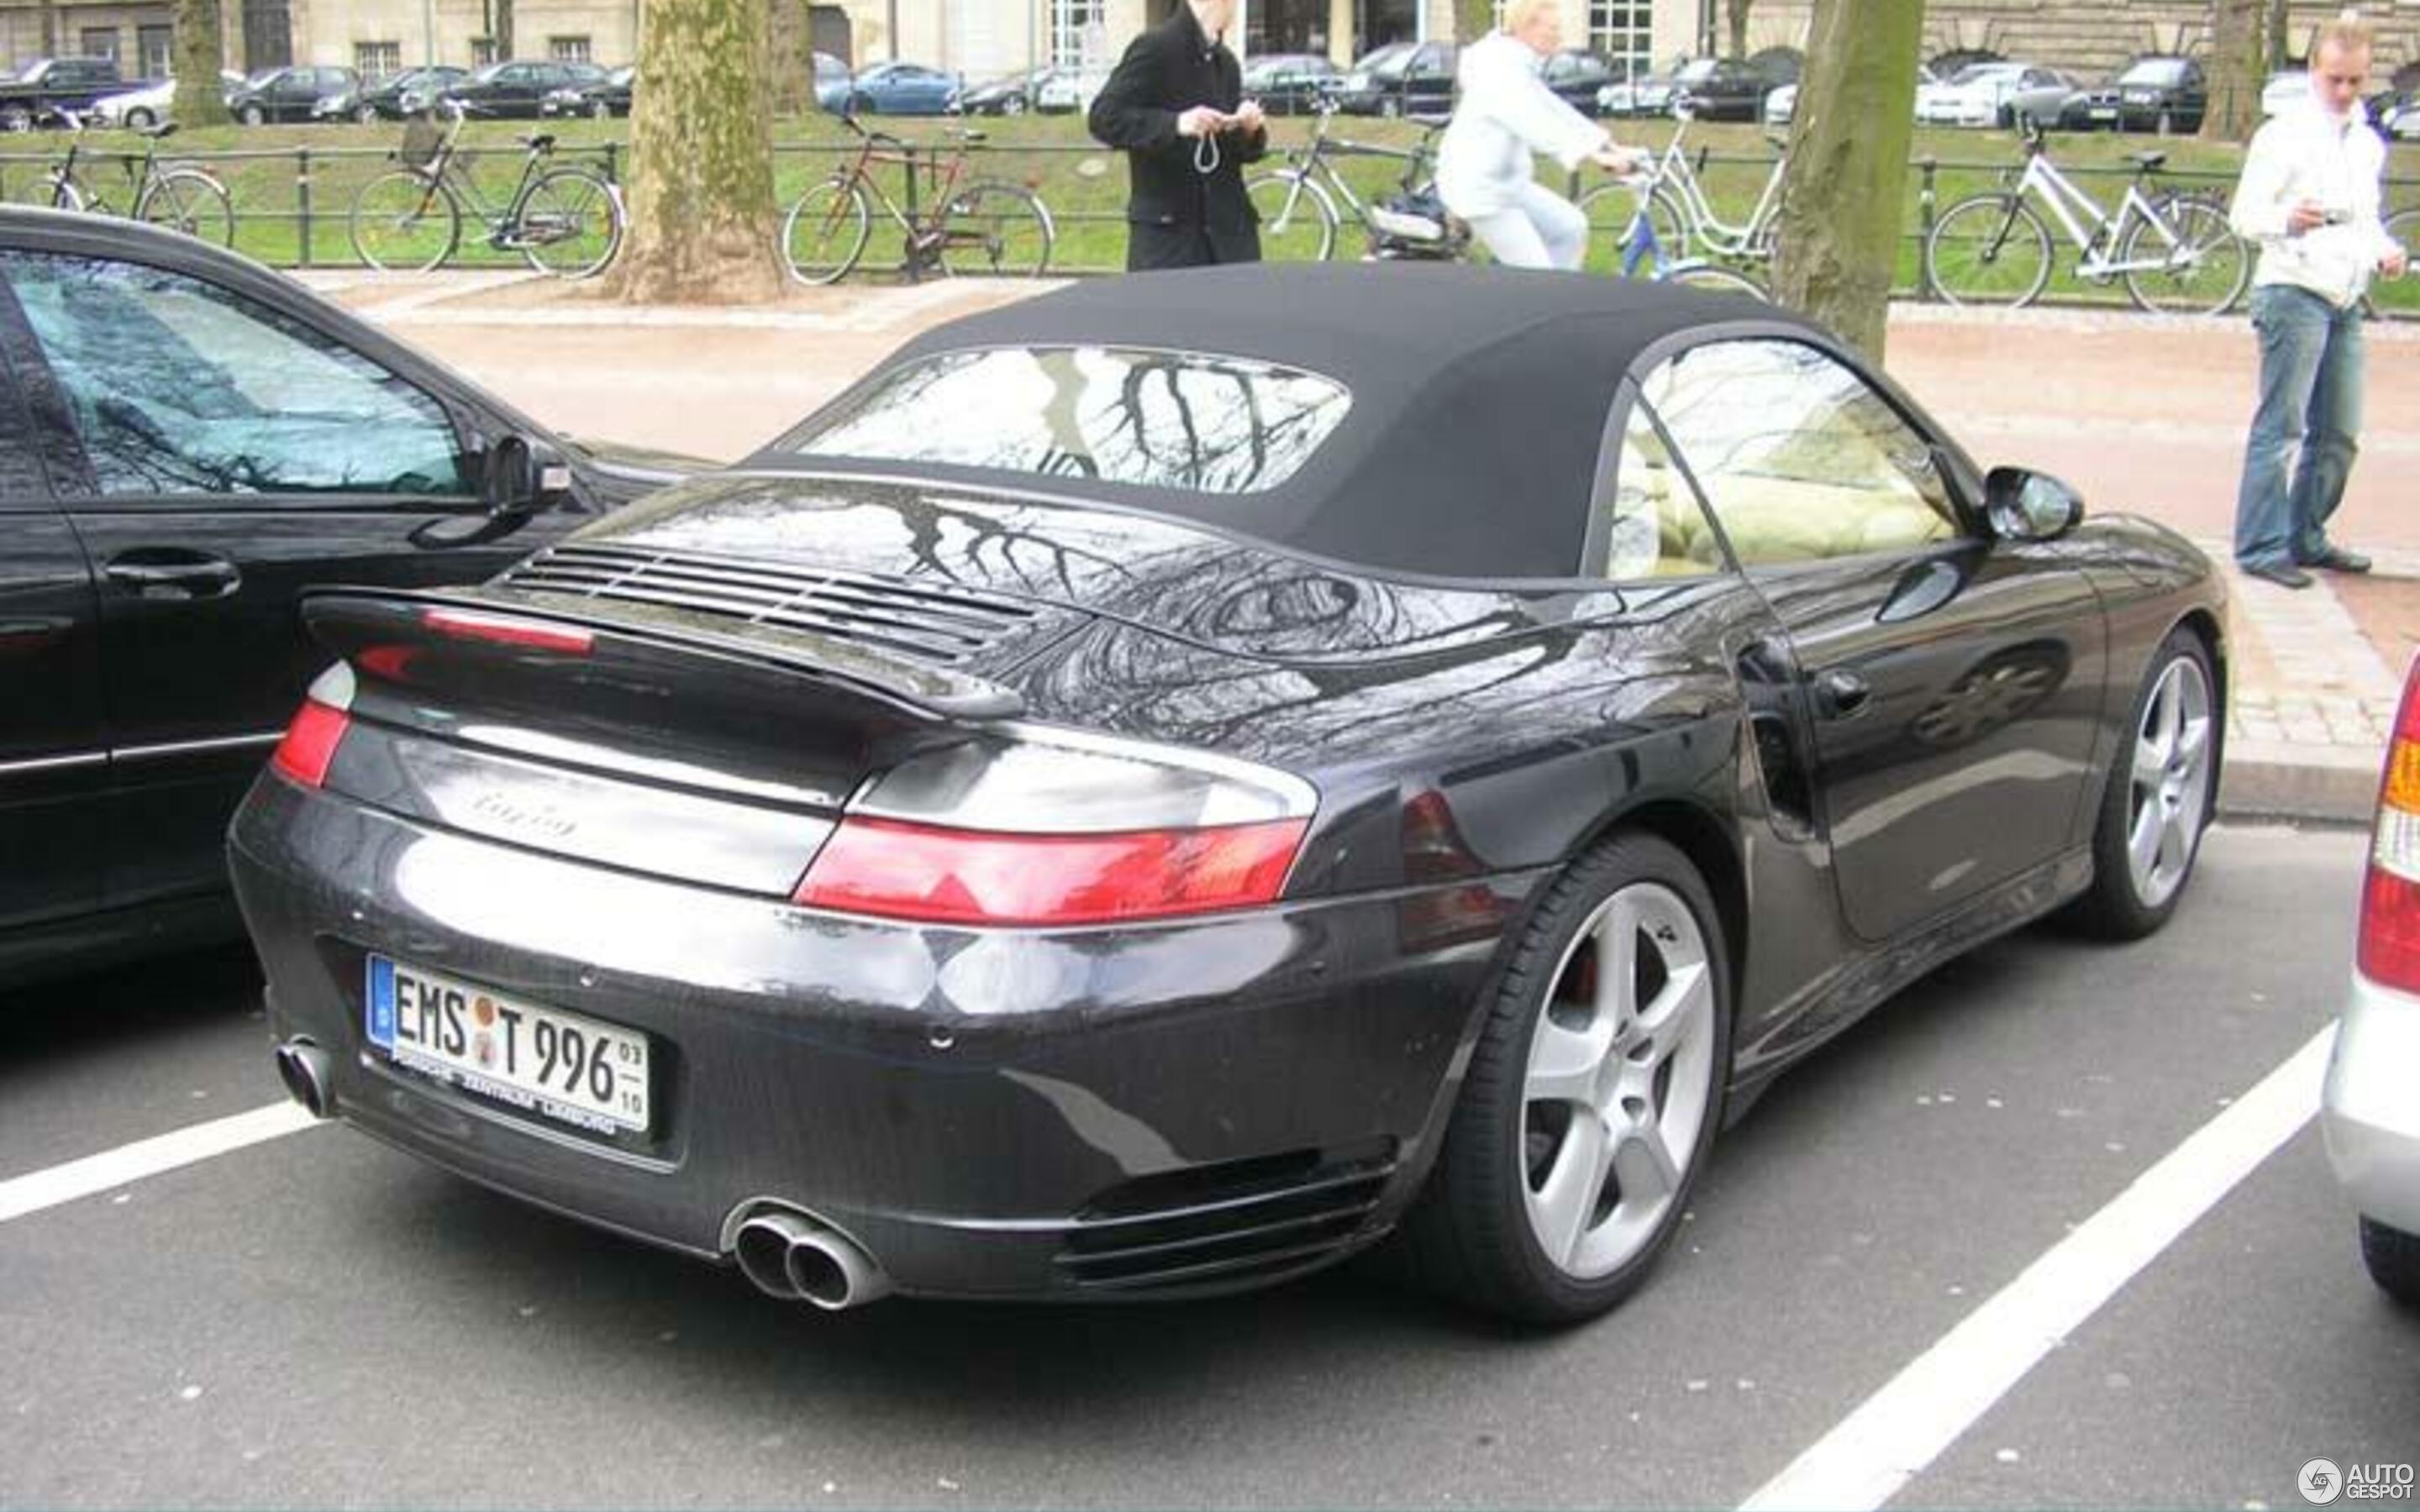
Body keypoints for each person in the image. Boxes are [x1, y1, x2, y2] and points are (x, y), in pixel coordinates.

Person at [2227, 13, 2407, 591]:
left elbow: (2365, 219)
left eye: (2356, 80)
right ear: (2314, 71)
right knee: (2281, 427)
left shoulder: (2367, 143)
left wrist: (2385, 250)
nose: (2346, 92)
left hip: (2345, 293)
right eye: (2335, 79)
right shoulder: (2282, 135)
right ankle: (2260, 543)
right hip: (2292, 288)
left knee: (2340, 432)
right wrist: (2288, 219)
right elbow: (2244, 215)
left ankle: (2307, 532)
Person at [1435, 0, 1648, 271]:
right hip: (1481, 192)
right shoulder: (1499, 70)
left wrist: (1606, 143)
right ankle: (1536, 305)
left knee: (1571, 227)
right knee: (1538, 273)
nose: (1559, 36)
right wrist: (1593, 155)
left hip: (1508, 184)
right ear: (1528, 26)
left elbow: (1553, 108)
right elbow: (1533, 121)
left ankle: (1556, 299)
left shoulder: (1518, 63)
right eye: (1553, 28)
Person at [1086, 0, 1267, 270]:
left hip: (1230, 241)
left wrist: (1249, 129)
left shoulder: (1226, 63)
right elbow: (1104, 116)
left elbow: (1233, 153)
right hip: (1170, 240)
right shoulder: (1155, 48)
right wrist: (1176, 124)